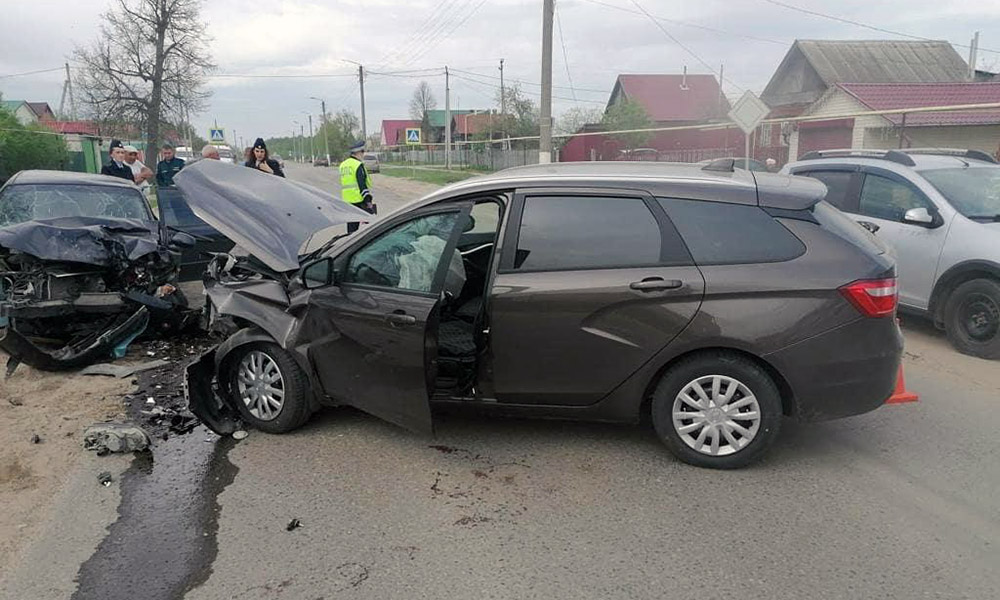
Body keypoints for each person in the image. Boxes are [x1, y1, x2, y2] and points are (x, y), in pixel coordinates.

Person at [339, 140, 376, 233]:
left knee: (351, 230)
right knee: (366, 231)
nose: (363, 154)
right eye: (362, 151)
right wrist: (368, 200)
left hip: (347, 201)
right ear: (358, 152)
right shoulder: (357, 165)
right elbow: (361, 184)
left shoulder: (343, 165)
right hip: (359, 201)